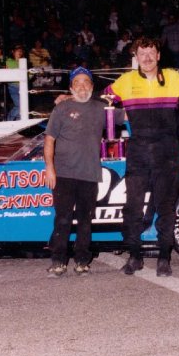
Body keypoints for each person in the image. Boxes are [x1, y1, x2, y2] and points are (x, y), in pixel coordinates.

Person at [104, 37, 179, 276]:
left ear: (158, 56)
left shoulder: (174, 78)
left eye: (150, 53)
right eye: (141, 53)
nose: (146, 58)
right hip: (139, 150)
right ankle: (135, 256)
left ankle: (164, 257)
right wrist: (70, 100)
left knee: (166, 207)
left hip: (168, 151)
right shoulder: (126, 81)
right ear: (136, 57)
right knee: (132, 206)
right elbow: (100, 101)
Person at [44, 67, 124, 277]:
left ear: (91, 86)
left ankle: (82, 260)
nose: (81, 87)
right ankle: (58, 261)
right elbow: (49, 139)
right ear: (71, 87)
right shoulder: (61, 108)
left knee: (85, 220)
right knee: (62, 219)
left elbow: (129, 116)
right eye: (77, 83)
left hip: (90, 174)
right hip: (63, 174)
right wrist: (50, 168)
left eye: (85, 83)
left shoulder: (101, 108)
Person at [6, 44, 24, 120]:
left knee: (23, 106)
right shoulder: (9, 61)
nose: (20, 52)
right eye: (17, 51)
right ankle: (8, 121)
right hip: (13, 86)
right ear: (13, 52)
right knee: (20, 106)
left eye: (21, 51)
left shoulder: (23, 62)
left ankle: (17, 124)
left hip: (22, 86)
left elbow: (28, 75)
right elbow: (14, 72)